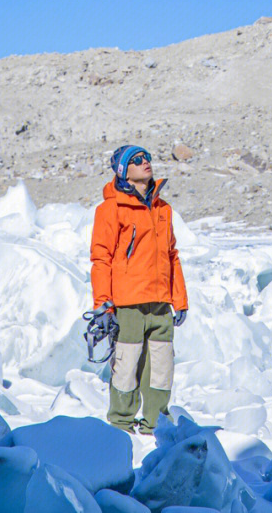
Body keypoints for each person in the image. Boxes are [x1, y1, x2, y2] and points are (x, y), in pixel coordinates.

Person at [89, 144, 188, 434]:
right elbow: (101, 258)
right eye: (136, 160)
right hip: (127, 305)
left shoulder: (163, 209)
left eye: (147, 157)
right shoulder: (110, 209)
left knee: (161, 368)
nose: (146, 162)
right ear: (124, 171)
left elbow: (172, 255)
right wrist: (103, 303)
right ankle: (121, 424)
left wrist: (179, 300)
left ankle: (156, 426)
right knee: (126, 367)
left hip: (160, 305)